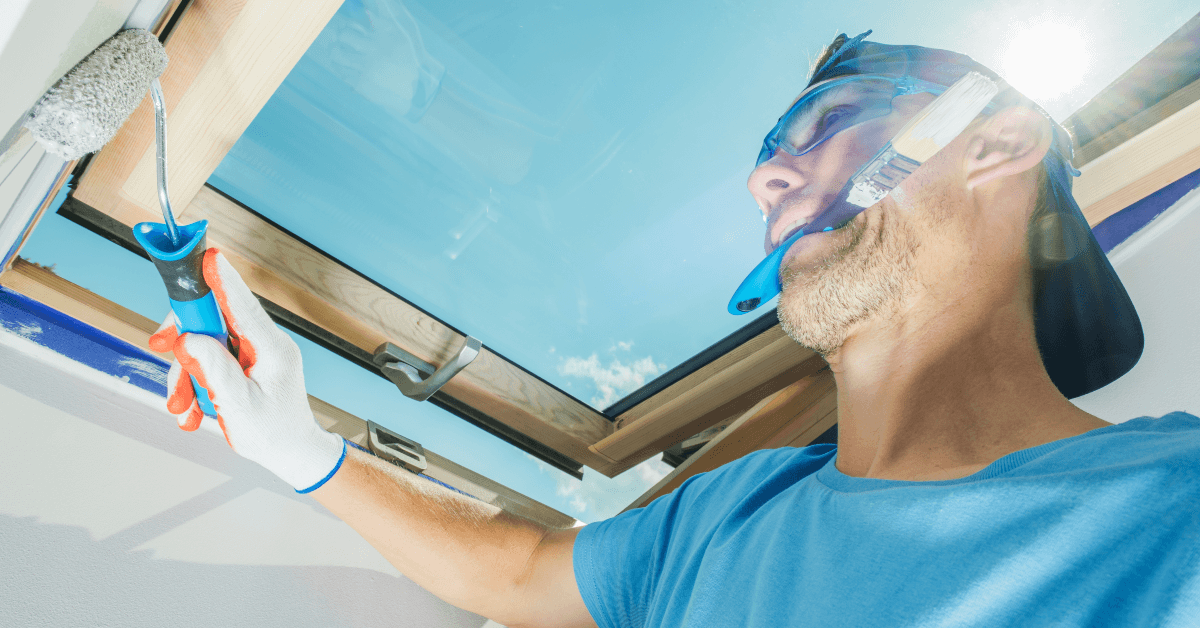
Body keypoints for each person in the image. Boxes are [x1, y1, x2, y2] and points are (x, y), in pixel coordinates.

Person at [150, 32, 1199, 628]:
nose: (763, 180)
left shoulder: (1172, 505)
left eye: (828, 127)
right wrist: (302, 448)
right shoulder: (725, 515)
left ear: (995, 143)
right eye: (765, 160)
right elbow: (517, 571)